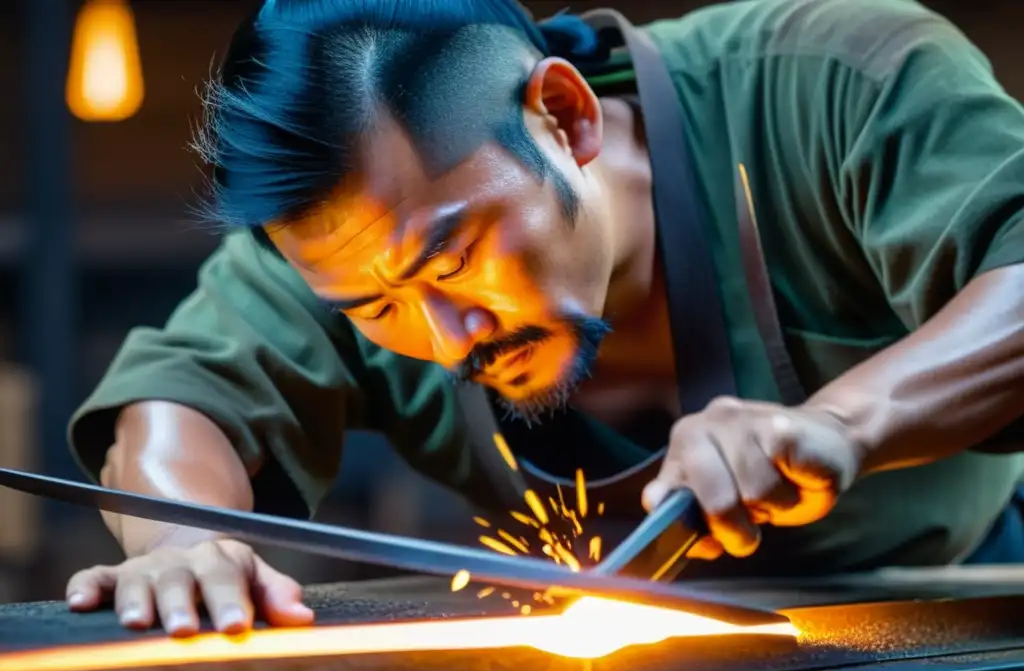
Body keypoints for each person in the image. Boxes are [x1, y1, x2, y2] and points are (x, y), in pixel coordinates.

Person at [64, 0, 1024, 637]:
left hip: (949, 601)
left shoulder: (828, 83)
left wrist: (837, 424)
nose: (448, 337)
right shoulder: (340, 255)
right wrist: (179, 541)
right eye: (375, 308)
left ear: (564, 117)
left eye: (453, 258)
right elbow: (180, 393)